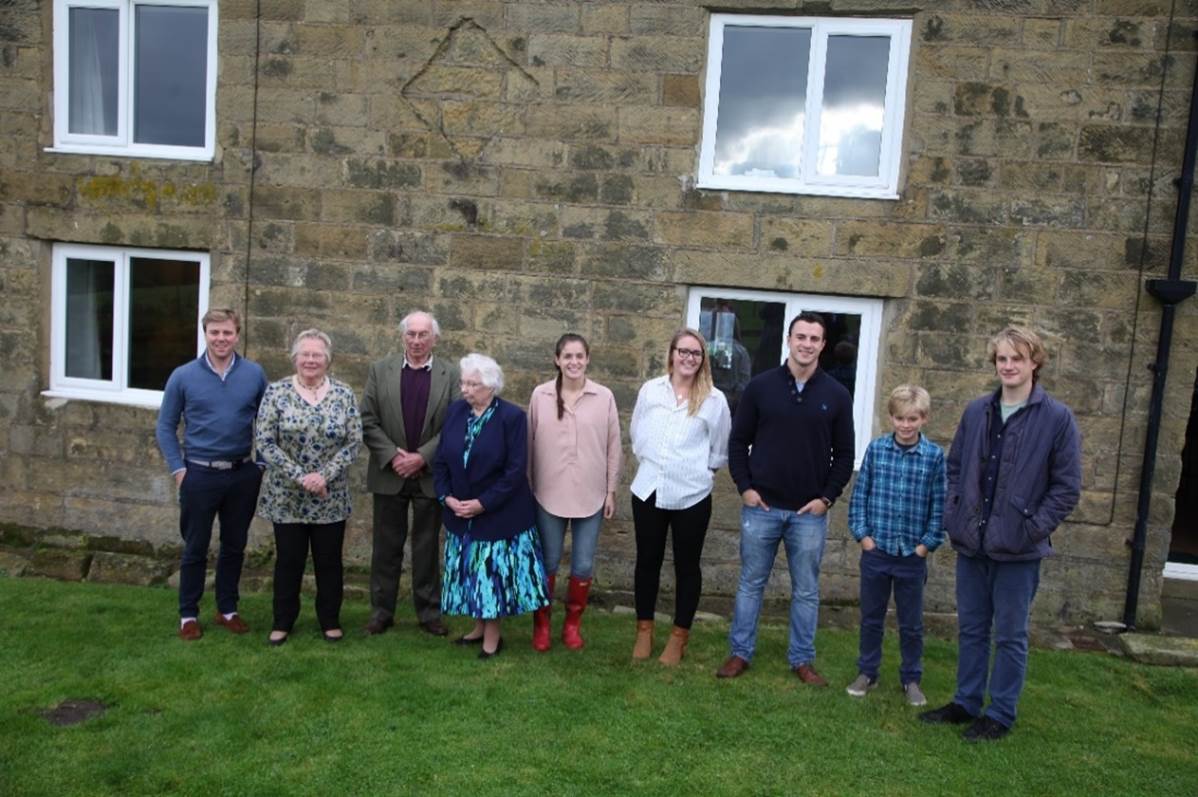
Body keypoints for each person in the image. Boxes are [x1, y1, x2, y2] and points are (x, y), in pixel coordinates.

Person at [920, 326, 1081, 742]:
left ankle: (1000, 713)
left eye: (1017, 359)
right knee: (972, 629)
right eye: (1002, 359)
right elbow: (955, 468)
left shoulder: (1057, 418)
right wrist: (955, 514)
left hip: (1018, 550)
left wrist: (1032, 528)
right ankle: (966, 702)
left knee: (1010, 636)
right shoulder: (977, 411)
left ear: (1034, 363)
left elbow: (1066, 488)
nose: (1008, 366)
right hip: (972, 544)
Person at [717, 311, 854, 683]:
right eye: (801, 337)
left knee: (807, 590)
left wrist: (826, 499)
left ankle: (802, 659)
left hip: (809, 512)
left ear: (823, 345)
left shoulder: (837, 395)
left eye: (814, 338)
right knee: (750, 584)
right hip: (760, 508)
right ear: (789, 340)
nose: (807, 344)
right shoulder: (760, 387)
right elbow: (737, 442)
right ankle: (739, 652)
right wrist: (745, 488)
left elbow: (844, 455)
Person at [155, 308, 267, 641]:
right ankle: (188, 614)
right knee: (195, 547)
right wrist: (179, 469)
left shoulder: (254, 374)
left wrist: (259, 464)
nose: (221, 339)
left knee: (234, 546)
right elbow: (165, 426)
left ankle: (227, 609)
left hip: (241, 474)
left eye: (227, 333)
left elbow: (270, 421)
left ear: (237, 334)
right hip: (198, 475)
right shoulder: (183, 376)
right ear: (205, 333)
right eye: (214, 332)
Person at [434, 354, 549, 658]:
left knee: (490, 577)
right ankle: (478, 628)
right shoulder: (456, 412)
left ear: (491, 386)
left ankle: (493, 638)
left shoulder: (511, 417)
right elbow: (442, 459)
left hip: (499, 515)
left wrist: (482, 504)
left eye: (473, 384)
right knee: (471, 574)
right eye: (464, 382)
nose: (465, 389)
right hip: (461, 513)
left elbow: (515, 471)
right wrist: (446, 497)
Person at [629, 329, 731, 666]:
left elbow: (719, 451)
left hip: (692, 494)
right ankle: (644, 630)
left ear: (703, 360)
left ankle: (678, 636)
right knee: (647, 561)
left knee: (687, 566)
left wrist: (697, 472)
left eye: (696, 354)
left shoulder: (714, 400)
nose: (689, 358)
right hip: (648, 489)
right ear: (671, 354)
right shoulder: (650, 391)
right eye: (683, 351)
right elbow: (637, 433)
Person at [255, 330, 362, 646]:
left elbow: (354, 441)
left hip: (330, 497)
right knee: (289, 561)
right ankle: (282, 621)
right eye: (305, 354)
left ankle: (329, 620)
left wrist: (323, 476)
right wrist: (302, 476)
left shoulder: (343, 394)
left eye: (317, 355)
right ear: (295, 358)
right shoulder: (276, 392)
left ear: (327, 360)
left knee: (329, 561)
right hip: (286, 495)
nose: (311, 360)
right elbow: (264, 440)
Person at [845, 385, 946, 706]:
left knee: (911, 623)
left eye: (912, 418)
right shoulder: (876, 450)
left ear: (924, 419)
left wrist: (926, 545)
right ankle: (867, 672)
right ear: (891, 417)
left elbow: (939, 505)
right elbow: (860, 496)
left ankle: (911, 678)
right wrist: (863, 536)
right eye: (900, 418)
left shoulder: (933, 457)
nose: (906, 425)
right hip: (877, 551)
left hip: (911, 555)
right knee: (871, 617)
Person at [361, 311, 457, 637]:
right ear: (402, 336)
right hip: (390, 473)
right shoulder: (380, 370)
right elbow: (367, 419)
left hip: (430, 475)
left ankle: (429, 613)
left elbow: (455, 425)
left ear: (435, 339)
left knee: (426, 548)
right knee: (386, 547)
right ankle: (381, 612)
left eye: (423, 335)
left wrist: (422, 458)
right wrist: (392, 456)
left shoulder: (451, 374)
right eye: (411, 334)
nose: (416, 341)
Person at [527, 333, 622, 652]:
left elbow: (613, 447)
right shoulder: (540, 395)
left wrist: (610, 491)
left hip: (591, 495)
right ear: (557, 359)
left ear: (588, 359)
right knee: (548, 562)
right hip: (547, 493)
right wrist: (527, 488)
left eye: (579, 356)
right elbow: (528, 444)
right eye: (567, 356)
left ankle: (572, 625)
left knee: (583, 564)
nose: (574, 362)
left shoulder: (604, 396)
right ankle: (541, 625)